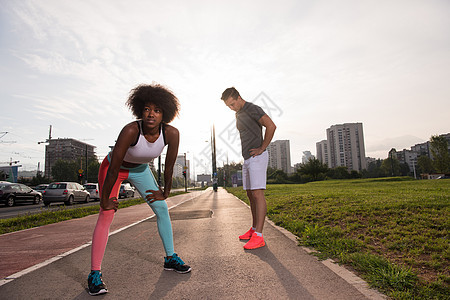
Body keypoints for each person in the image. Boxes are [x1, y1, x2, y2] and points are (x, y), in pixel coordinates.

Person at [88, 84, 191, 296]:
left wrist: (165, 191)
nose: (151, 114)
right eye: (147, 109)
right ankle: (94, 274)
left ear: (165, 114)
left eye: (157, 110)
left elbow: (169, 166)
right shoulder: (130, 131)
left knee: (162, 208)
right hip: (114, 170)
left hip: (141, 171)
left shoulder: (171, 133)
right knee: (106, 214)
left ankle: (170, 258)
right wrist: (104, 198)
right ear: (140, 111)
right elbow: (114, 167)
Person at [220, 87, 276, 250]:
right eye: (228, 106)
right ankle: (253, 230)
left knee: (258, 193)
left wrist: (262, 148)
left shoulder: (252, 109)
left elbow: (271, 126)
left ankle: (259, 236)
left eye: (232, 104)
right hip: (247, 158)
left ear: (238, 97)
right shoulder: (238, 113)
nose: (231, 108)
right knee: (250, 194)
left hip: (257, 157)